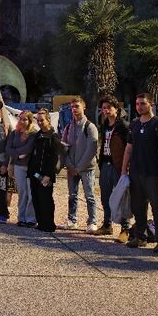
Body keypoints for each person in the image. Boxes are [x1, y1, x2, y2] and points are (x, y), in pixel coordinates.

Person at [121, 93, 158, 253]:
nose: (139, 106)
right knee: (138, 207)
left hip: (154, 174)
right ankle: (140, 237)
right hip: (136, 173)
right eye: (137, 104)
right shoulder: (134, 124)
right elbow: (128, 149)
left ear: (151, 105)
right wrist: (124, 171)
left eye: (143, 103)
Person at [60, 96, 99, 233]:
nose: (74, 109)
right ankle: (72, 220)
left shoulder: (90, 127)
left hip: (86, 168)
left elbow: (91, 149)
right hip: (72, 168)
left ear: (84, 107)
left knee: (90, 196)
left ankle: (92, 222)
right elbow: (63, 148)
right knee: (72, 195)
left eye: (77, 106)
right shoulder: (68, 127)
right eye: (72, 107)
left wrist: (79, 167)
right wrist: (70, 165)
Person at [97, 95, 130, 242]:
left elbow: (129, 148)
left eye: (109, 107)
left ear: (116, 109)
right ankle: (107, 224)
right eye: (104, 108)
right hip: (105, 164)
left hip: (118, 166)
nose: (106, 110)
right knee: (105, 196)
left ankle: (125, 229)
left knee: (121, 196)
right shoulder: (104, 124)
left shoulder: (123, 126)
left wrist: (126, 167)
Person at [27, 109, 62, 233]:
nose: (40, 122)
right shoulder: (38, 135)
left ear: (48, 120)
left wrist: (49, 175)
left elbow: (55, 157)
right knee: (36, 198)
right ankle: (41, 223)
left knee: (46, 200)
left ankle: (49, 225)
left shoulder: (53, 136)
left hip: (46, 175)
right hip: (35, 174)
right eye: (38, 120)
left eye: (42, 120)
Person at [6, 110, 37, 228]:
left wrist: (17, 152)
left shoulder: (33, 134)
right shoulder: (14, 133)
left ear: (29, 120)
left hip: (30, 167)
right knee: (22, 193)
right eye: (21, 118)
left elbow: (28, 149)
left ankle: (30, 219)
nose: (22, 121)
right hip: (18, 166)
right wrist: (17, 155)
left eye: (25, 119)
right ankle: (21, 217)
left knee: (31, 193)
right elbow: (8, 148)